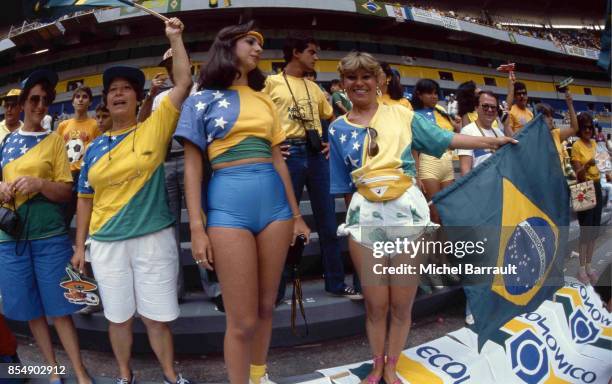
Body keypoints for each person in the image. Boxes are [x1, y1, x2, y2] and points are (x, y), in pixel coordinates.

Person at [329, 52, 515, 384]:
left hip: (406, 210)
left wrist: (492, 141)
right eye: (352, 78)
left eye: (366, 77)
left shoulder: (402, 115)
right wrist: (359, 221)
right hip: (364, 216)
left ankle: (391, 365)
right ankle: (376, 365)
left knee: (401, 303)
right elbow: (344, 186)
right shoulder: (337, 129)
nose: (359, 83)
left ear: (379, 81)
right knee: (375, 304)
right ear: (343, 83)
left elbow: (446, 139)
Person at [175, 22, 310, 384]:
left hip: (277, 209)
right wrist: (197, 228)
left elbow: (279, 159)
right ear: (227, 46)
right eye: (250, 41)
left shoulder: (265, 97)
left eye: (259, 44)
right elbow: (191, 168)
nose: (257, 49)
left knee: (267, 307)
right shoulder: (200, 99)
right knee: (242, 319)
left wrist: (296, 215)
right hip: (228, 209)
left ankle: (258, 375)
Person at [72, 17, 193, 384]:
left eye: (127, 88)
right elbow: (84, 198)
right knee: (118, 317)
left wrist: (175, 37)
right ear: (106, 100)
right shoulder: (92, 149)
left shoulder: (154, 128)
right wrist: (80, 248)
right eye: (113, 90)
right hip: (105, 243)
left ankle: (172, 377)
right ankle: (126, 376)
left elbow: (184, 82)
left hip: (152, 237)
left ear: (138, 97)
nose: (119, 93)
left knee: (156, 318)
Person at [0, 69, 92, 384]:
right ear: (23, 102)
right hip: (11, 238)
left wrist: (39, 183)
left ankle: (79, 372)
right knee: (33, 310)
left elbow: (66, 191)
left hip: (49, 236)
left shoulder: (54, 140)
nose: (40, 105)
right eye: (34, 99)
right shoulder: (7, 141)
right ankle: (52, 371)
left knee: (60, 309)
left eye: (45, 100)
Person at [263, 34, 360, 299]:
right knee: (284, 225)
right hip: (288, 153)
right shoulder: (271, 83)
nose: (316, 57)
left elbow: (333, 117)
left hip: (317, 155)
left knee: (329, 224)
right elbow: (259, 117)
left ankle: (336, 283)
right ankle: (278, 289)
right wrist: (270, 146)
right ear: (295, 52)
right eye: (312, 52)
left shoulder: (314, 88)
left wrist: (330, 140)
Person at [137, 47, 215, 303]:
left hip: (195, 160)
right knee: (168, 229)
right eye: (167, 63)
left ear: (187, 62)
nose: (171, 67)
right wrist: (150, 95)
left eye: (175, 61)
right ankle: (174, 289)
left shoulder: (200, 90)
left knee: (202, 224)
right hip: (167, 161)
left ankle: (213, 287)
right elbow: (143, 124)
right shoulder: (161, 98)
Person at [410, 78, 459, 223]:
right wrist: (417, 176)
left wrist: (457, 128)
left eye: (436, 93)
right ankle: (435, 246)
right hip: (427, 164)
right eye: (429, 93)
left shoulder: (443, 111)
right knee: (435, 214)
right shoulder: (413, 114)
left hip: (447, 163)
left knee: (447, 212)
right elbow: (413, 148)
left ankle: (446, 245)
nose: (434, 96)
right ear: (419, 94)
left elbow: (452, 143)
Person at [57, 86, 101, 229]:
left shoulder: (95, 125)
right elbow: (56, 152)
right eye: (77, 97)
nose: (80, 100)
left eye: (84, 97)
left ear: (90, 102)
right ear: (72, 101)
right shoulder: (63, 125)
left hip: (85, 174)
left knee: (88, 216)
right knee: (63, 217)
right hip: (66, 176)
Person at [571, 113, 603, 285]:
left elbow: (600, 165)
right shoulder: (576, 145)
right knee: (586, 231)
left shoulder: (594, 144)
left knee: (594, 230)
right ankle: (581, 268)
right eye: (585, 127)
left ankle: (589, 265)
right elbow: (578, 174)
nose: (588, 130)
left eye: (591, 127)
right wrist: (587, 165)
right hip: (584, 188)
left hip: (597, 185)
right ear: (580, 129)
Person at [458, 91, 506, 175]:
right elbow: (465, 170)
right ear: (476, 108)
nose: (490, 110)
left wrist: (507, 125)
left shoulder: (499, 133)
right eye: (485, 106)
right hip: (479, 185)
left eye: (493, 107)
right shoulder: (467, 131)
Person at [535, 91, 578, 171]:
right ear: (537, 119)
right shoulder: (533, 140)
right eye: (547, 116)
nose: (551, 119)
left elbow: (574, 128)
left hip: (561, 179)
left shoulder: (556, 134)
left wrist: (570, 104)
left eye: (551, 116)